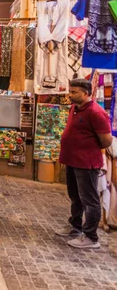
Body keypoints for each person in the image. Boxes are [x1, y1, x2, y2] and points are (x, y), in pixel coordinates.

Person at [54, 79, 112, 249]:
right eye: (70, 91)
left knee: (90, 200)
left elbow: (106, 140)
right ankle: (75, 226)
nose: (70, 95)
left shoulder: (96, 112)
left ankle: (91, 237)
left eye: (74, 92)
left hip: (86, 163)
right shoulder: (75, 108)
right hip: (72, 160)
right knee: (75, 197)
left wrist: (87, 149)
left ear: (86, 93)